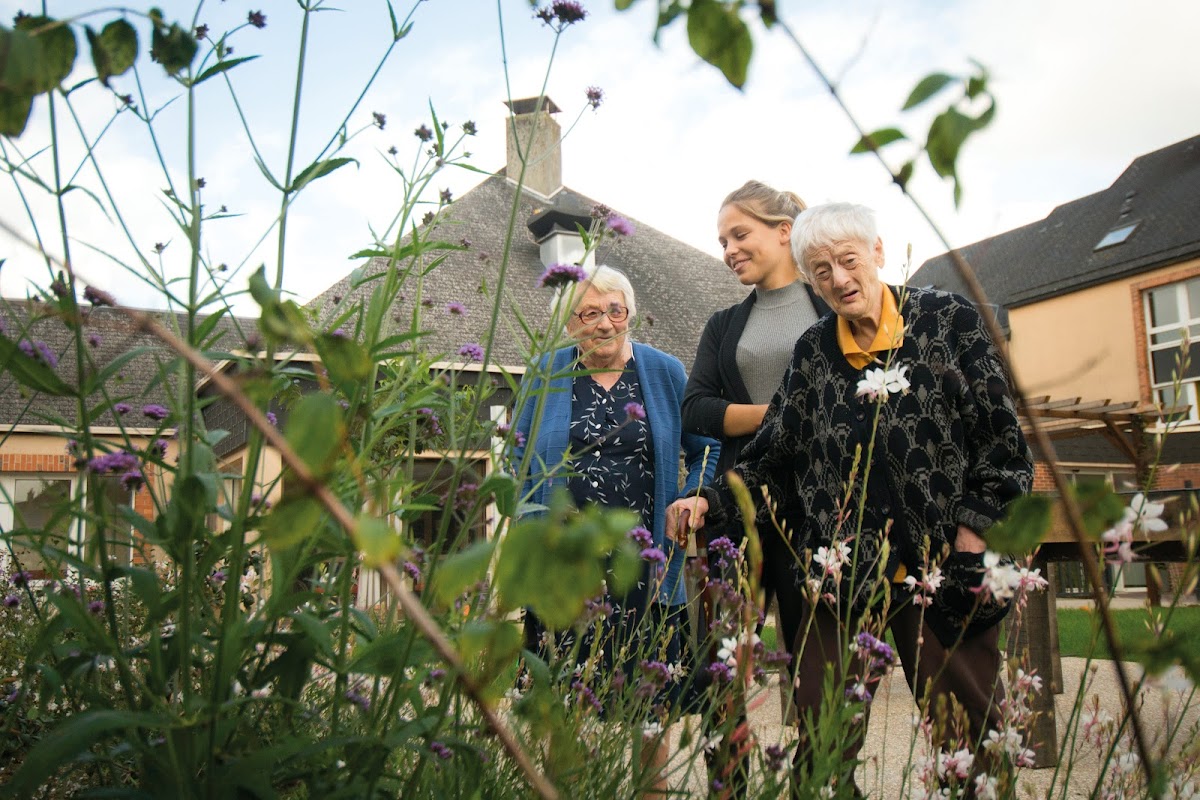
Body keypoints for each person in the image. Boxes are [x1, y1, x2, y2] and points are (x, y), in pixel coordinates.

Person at [668, 202, 1033, 796]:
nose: (838, 279)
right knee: (822, 744)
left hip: (940, 564)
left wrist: (974, 534)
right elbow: (772, 457)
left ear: (878, 253)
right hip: (839, 572)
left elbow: (1001, 443)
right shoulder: (813, 352)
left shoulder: (947, 322)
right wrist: (713, 500)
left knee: (970, 743)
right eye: (820, 270)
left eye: (848, 261)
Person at [511, 263, 719, 797]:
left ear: (629, 313)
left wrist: (695, 493)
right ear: (569, 325)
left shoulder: (665, 371)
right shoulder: (547, 371)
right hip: (566, 569)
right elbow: (518, 453)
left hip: (645, 568)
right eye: (589, 313)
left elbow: (706, 448)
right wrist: (535, 523)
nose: (605, 323)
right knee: (565, 705)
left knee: (649, 709)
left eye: (616, 310)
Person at [679, 180, 828, 789]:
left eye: (740, 235)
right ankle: (730, 785)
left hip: (824, 514)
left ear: (785, 230)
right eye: (722, 241)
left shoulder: (832, 304)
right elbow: (698, 409)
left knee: (821, 677)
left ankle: (818, 784)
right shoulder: (723, 325)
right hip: (739, 508)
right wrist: (782, 411)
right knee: (723, 669)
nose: (729, 250)